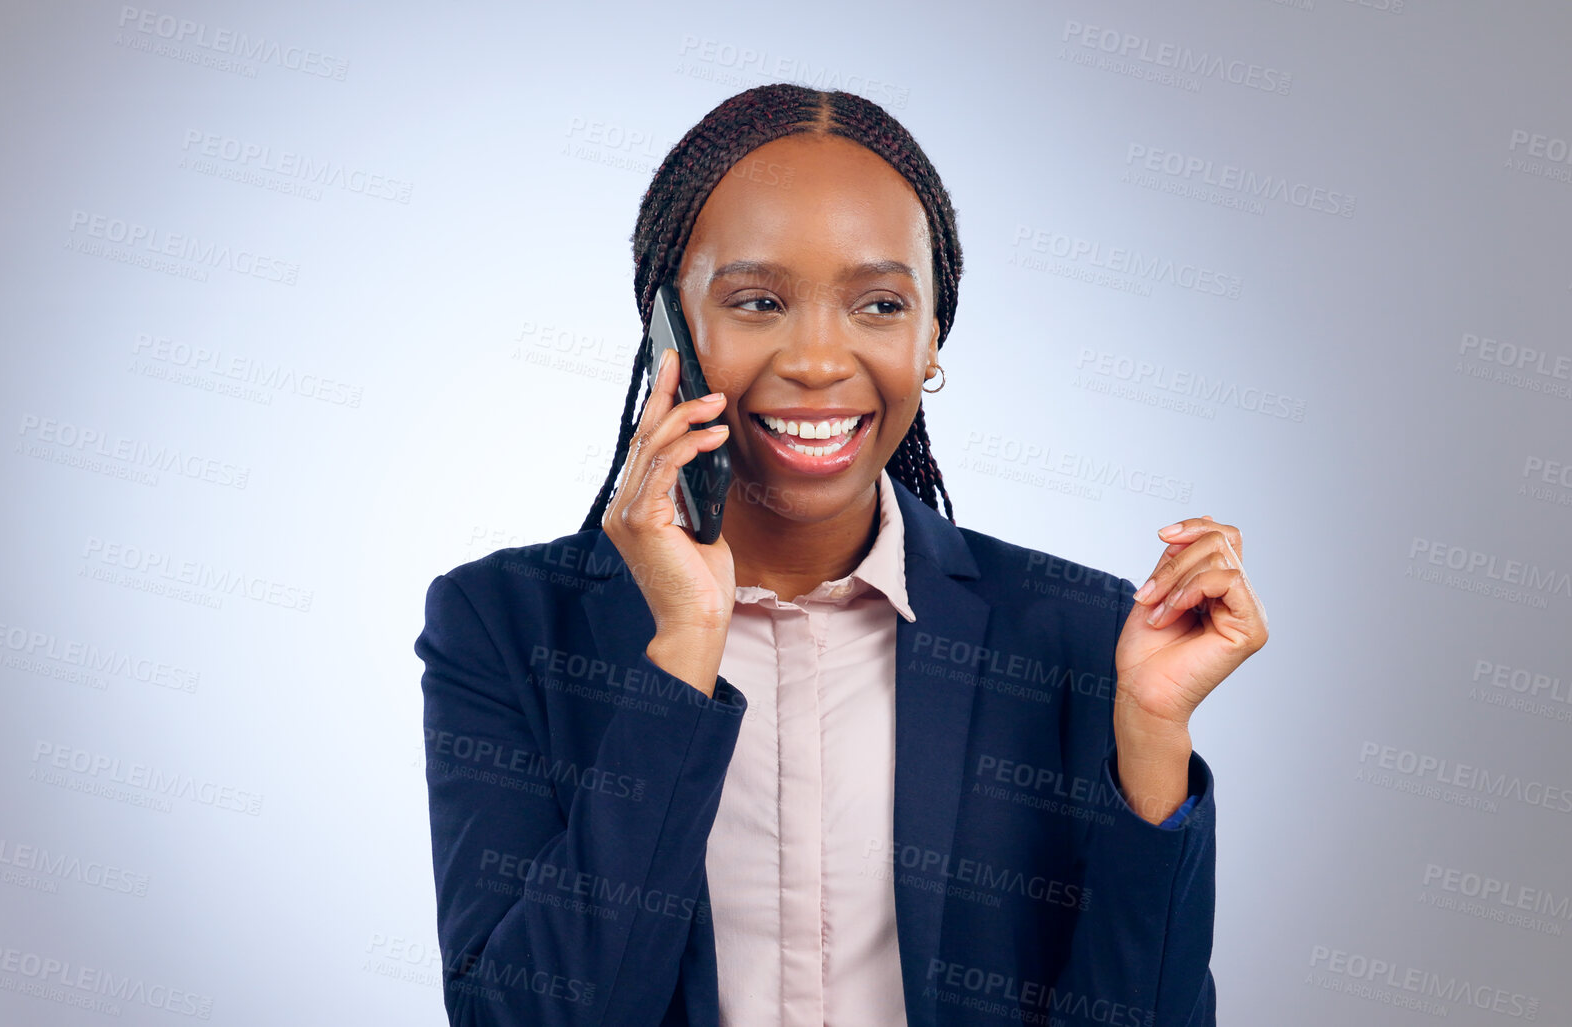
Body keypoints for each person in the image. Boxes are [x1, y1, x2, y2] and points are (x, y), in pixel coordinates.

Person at [414, 83, 1269, 1027]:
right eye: (757, 300)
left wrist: (1149, 735)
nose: (819, 359)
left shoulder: (1075, 634)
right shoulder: (501, 624)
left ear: (931, 332)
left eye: (876, 303)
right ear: (668, 327)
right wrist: (683, 654)